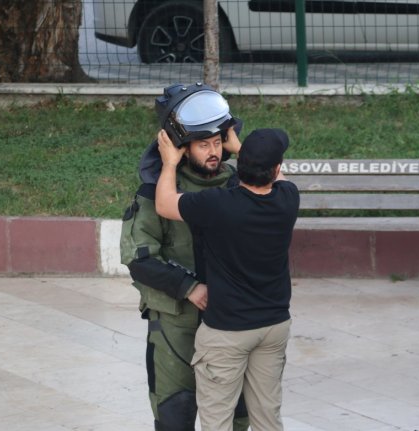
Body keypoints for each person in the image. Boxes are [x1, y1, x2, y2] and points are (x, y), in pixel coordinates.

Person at [119, 82, 249, 431]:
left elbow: (278, 190)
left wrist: (241, 150)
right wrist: (190, 288)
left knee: (237, 414)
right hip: (175, 323)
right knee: (175, 412)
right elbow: (139, 258)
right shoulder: (154, 192)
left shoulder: (238, 184)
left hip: (232, 320)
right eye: (203, 144)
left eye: (218, 142)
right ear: (180, 146)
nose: (214, 152)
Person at [154, 126, 300, 431]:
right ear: (276, 169)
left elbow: (164, 204)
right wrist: (240, 149)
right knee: (267, 418)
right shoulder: (288, 200)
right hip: (273, 327)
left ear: (240, 163)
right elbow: (278, 179)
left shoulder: (218, 205)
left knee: (217, 422)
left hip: (227, 333)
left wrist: (169, 163)